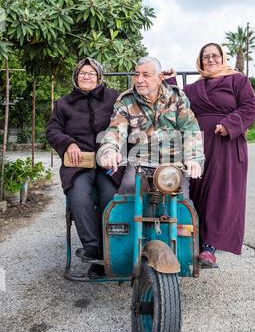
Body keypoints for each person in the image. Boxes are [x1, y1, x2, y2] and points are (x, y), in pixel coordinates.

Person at [167, 43, 255, 268]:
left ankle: (210, 246)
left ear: (222, 58)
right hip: (197, 143)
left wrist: (230, 124)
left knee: (220, 193)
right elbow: (179, 102)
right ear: (200, 61)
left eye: (215, 56)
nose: (210, 60)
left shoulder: (237, 80)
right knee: (194, 189)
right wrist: (170, 80)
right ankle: (193, 239)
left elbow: (250, 107)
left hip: (226, 143)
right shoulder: (194, 87)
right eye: (205, 57)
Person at [46, 58, 124, 279]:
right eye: (82, 73)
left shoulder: (113, 97)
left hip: (107, 163)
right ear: (76, 77)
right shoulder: (64, 103)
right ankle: (94, 250)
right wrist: (68, 143)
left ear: (99, 77)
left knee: (111, 196)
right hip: (79, 164)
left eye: (91, 73)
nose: (86, 76)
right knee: (79, 196)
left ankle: (113, 248)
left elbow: (127, 119)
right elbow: (52, 130)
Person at [97, 56, 204, 193]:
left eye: (145, 75)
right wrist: (110, 150)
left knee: (180, 200)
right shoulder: (126, 100)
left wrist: (193, 157)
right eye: (137, 74)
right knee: (128, 190)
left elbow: (190, 128)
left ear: (160, 78)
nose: (139, 80)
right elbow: (116, 130)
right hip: (139, 161)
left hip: (173, 162)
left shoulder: (177, 97)